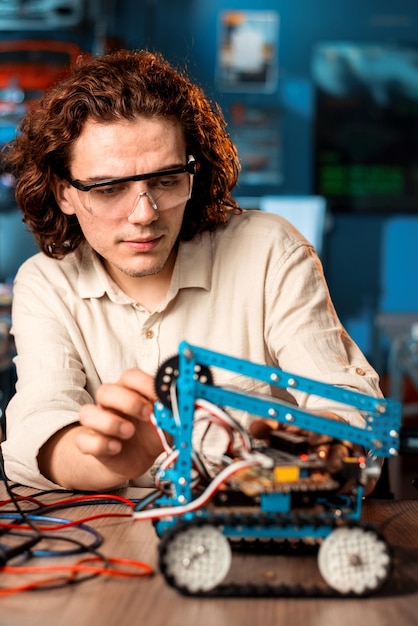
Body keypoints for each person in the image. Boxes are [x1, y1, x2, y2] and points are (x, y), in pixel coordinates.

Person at [0, 49, 382, 494]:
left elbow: (352, 413)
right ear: (64, 192)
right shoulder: (47, 283)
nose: (144, 214)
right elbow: (37, 428)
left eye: (165, 181)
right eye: (109, 189)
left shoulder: (268, 251)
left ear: (194, 173)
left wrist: (303, 446)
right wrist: (110, 459)